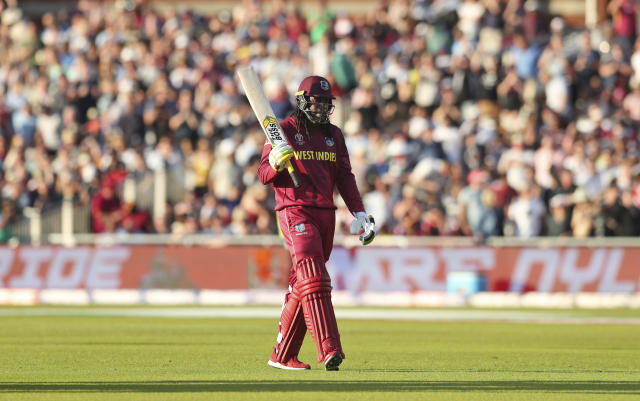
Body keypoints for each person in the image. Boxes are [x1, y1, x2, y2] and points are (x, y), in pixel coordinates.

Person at [258, 76, 376, 371]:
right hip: (294, 209)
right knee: (314, 277)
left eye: (326, 103)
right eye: (316, 102)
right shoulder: (283, 130)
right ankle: (330, 348)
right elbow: (262, 175)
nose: (321, 108)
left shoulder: (334, 135)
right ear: (301, 101)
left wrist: (359, 212)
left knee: (304, 283)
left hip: (326, 212)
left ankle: (282, 355)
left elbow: (345, 177)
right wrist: (274, 161)